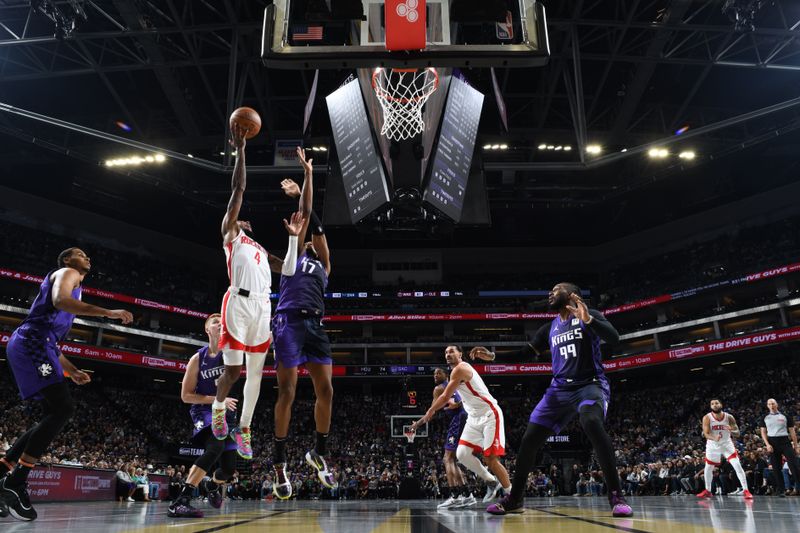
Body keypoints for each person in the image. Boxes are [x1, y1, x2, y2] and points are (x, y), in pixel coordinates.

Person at [0, 248, 132, 521]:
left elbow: (53, 345)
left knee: (56, 410)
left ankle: (3, 473)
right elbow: (60, 301)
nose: (88, 258)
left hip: (40, 343)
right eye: (81, 254)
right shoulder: (67, 273)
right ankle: (15, 482)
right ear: (66, 260)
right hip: (32, 340)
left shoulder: (76, 287)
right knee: (62, 408)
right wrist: (108, 312)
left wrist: (72, 371)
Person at [484, 283, 632, 517]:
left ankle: (616, 495)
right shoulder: (548, 328)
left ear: (572, 295)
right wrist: (494, 356)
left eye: (556, 289)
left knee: (591, 423)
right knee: (529, 439)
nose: (550, 293)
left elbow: (614, 338)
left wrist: (590, 321)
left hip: (589, 385)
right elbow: (525, 353)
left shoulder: (590, 315)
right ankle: (515, 499)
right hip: (559, 389)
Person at [211, 122, 305, 461]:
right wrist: (242, 151)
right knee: (233, 372)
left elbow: (290, 269)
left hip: (264, 308)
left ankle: (245, 428)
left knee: (256, 375)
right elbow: (238, 189)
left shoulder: (261, 250)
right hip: (237, 302)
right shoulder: (230, 237)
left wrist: (294, 237)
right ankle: (220, 408)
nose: (238, 216)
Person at [269, 150, 336, 499]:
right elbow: (303, 222)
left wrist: (307, 177)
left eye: (313, 235)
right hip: (288, 323)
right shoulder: (289, 259)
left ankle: (318, 453)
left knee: (327, 390)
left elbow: (314, 219)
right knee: (288, 392)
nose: (311, 234)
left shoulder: (323, 264)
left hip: (316, 326)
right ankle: (279, 462)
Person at [411, 345, 511, 506]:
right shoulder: (453, 374)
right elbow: (452, 397)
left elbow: (445, 396)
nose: (448, 354)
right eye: (445, 352)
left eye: (451, 351)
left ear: (460, 354)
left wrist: (430, 412)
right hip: (473, 417)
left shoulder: (460, 369)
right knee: (462, 454)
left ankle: (511, 494)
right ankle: (492, 482)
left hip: (489, 414)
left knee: (491, 459)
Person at [168, 313, 240, 518]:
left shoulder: (232, 352)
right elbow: (186, 396)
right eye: (215, 322)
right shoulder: (197, 358)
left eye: (222, 322)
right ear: (207, 330)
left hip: (228, 413)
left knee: (228, 469)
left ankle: (211, 484)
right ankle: (181, 501)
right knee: (215, 445)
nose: (219, 324)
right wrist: (217, 400)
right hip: (205, 410)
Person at [429, 367, 470, 509]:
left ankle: (455, 496)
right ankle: (466, 494)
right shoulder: (456, 385)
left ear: (446, 375)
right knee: (453, 459)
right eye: (434, 373)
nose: (435, 375)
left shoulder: (440, 388)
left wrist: (420, 421)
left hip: (458, 419)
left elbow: (432, 410)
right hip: (465, 418)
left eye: (438, 373)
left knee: (447, 459)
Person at [696, 399, 752, 499]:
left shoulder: (729, 417)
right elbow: (706, 434)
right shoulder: (707, 418)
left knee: (737, 466)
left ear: (721, 404)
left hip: (726, 444)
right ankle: (708, 490)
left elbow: (738, 433)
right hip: (713, 445)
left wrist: (732, 431)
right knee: (708, 468)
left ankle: (746, 490)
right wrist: (714, 438)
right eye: (712, 404)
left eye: (716, 403)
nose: (714, 405)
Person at [759, 398, 800, 497]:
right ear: (767, 406)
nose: (771, 405)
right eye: (769, 404)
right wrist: (767, 444)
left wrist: (796, 445)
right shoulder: (765, 417)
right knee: (776, 468)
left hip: (785, 441)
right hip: (772, 443)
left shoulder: (785, 416)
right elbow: (763, 432)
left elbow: (792, 432)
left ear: (776, 404)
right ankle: (781, 490)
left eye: (773, 403)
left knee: (794, 465)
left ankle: (798, 487)